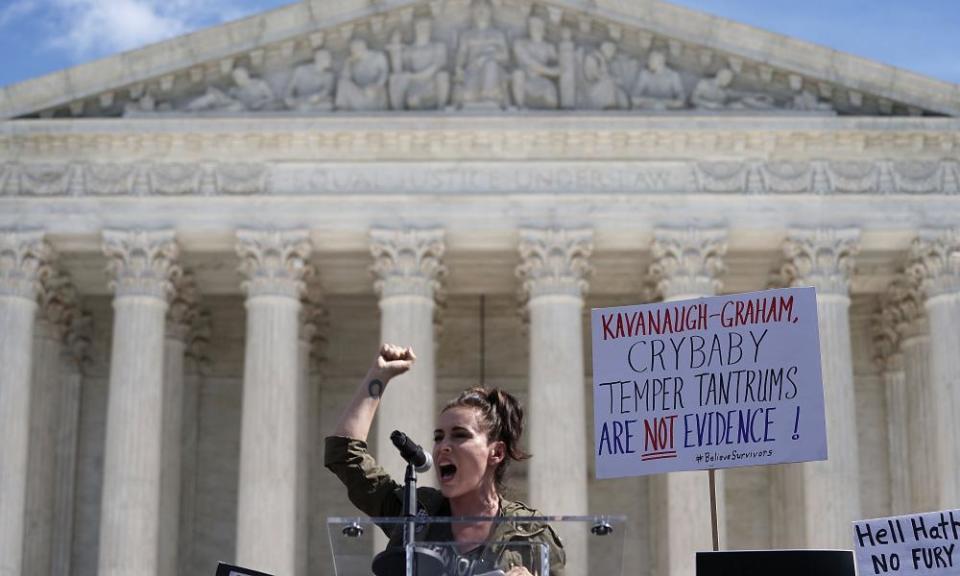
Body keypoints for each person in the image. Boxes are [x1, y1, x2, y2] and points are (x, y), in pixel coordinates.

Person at [325, 344, 566, 576]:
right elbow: (346, 457)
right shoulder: (417, 513)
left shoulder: (532, 533)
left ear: (497, 453)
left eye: (460, 435)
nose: (443, 447)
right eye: (439, 437)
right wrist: (378, 376)